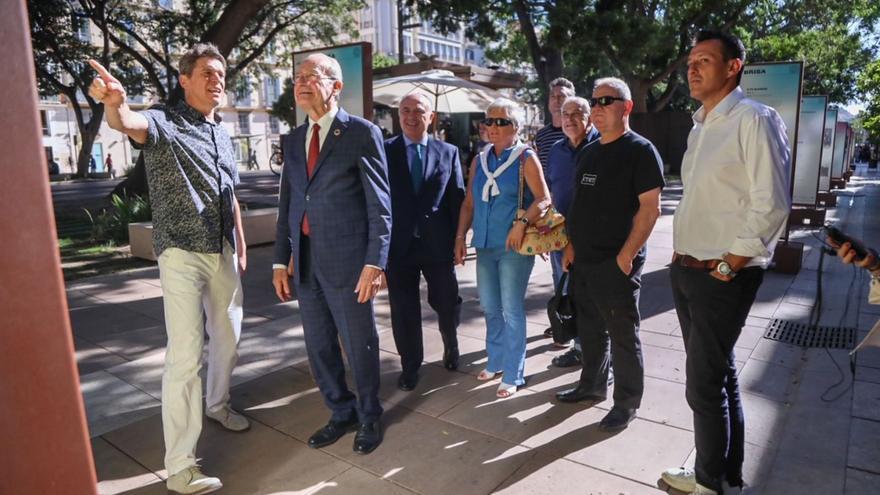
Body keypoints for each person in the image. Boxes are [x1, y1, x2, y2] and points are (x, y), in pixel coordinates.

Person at [88, 43, 248, 495]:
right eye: (206, 74)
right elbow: (129, 125)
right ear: (184, 80)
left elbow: (229, 193)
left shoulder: (222, 132)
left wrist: (237, 243)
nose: (216, 80)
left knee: (230, 339)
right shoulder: (164, 121)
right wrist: (115, 106)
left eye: (220, 73)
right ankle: (180, 468)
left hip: (220, 251)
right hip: (180, 252)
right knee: (185, 357)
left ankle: (217, 405)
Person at [660, 30, 791, 495]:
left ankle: (707, 480)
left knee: (702, 386)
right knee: (720, 375)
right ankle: (726, 471)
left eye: (705, 60)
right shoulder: (701, 126)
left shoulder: (754, 119)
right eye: (690, 61)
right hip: (688, 268)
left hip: (721, 273)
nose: (692, 69)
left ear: (734, 66)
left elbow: (772, 201)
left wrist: (730, 263)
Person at [271, 53, 391, 455]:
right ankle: (341, 412)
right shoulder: (291, 140)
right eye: (297, 77)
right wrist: (279, 259)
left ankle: (370, 414)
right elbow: (289, 204)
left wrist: (375, 262)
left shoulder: (360, 133)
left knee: (360, 344)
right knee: (319, 346)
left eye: (312, 76)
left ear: (336, 86)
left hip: (350, 262)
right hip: (305, 264)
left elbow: (380, 206)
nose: (301, 83)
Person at [555, 77, 665, 434]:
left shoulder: (641, 150)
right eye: (595, 101)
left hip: (617, 262)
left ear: (627, 107)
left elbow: (650, 210)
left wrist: (626, 256)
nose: (598, 108)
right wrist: (570, 245)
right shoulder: (588, 151)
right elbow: (579, 206)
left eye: (607, 101)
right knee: (589, 331)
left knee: (622, 334)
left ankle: (626, 402)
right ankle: (591, 385)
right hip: (584, 260)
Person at [454, 97, 551, 398]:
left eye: (501, 121)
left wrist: (522, 222)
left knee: (511, 309)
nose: (493, 127)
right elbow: (469, 202)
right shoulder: (480, 159)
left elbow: (544, 199)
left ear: (516, 127)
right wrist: (459, 237)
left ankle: (514, 372)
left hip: (514, 247)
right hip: (484, 245)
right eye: (489, 121)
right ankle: (495, 360)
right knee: (489, 306)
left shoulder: (525, 157)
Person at [385, 92, 465, 391]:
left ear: (430, 116)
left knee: (446, 301)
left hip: (438, 244)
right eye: (405, 110)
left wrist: (460, 239)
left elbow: (457, 198)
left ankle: (451, 343)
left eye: (418, 111)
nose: (411, 116)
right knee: (403, 310)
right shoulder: (384, 150)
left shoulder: (449, 152)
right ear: (398, 115)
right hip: (398, 246)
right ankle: (410, 366)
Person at [545, 96, 600, 367]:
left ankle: (600, 357)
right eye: (565, 114)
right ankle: (579, 348)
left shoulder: (603, 145)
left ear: (589, 117)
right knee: (568, 296)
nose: (569, 119)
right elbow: (552, 193)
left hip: (593, 239)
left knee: (595, 300)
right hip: (561, 238)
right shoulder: (556, 150)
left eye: (577, 113)